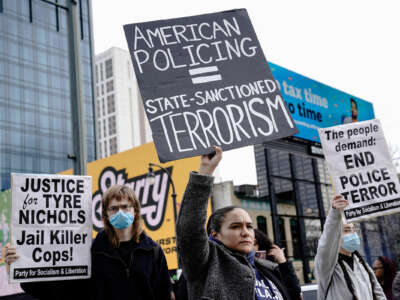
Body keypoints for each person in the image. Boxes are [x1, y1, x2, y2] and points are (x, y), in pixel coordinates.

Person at [176, 146, 301, 300]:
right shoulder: (207, 263)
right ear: (215, 234)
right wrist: (205, 171)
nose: (245, 232)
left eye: (249, 226)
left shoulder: (268, 269)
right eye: (235, 226)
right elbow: (190, 229)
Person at [5, 185, 172, 300]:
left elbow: (164, 295)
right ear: (105, 214)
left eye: (125, 207)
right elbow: (56, 290)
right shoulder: (88, 252)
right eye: (114, 208)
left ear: (135, 211)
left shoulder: (153, 252)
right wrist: (20, 264)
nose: (120, 212)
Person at [315, 195, 386, 300]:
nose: (353, 234)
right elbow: (326, 243)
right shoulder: (328, 267)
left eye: (354, 229)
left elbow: (378, 293)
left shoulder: (361, 263)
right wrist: (334, 213)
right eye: (347, 230)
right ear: (336, 236)